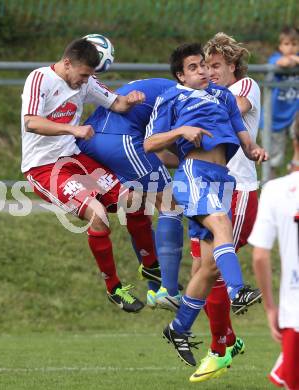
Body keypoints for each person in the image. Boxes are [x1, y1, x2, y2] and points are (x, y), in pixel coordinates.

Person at [144, 43, 267, 373]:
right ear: (181, 75)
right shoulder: (173, 97)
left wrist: (254, 150)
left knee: (209, 266)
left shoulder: (225, 97)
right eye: (195, 67)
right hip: (194, 175)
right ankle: (238, 291)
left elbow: (244, 137)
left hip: (222, 178)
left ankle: (179, 327)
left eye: (205, 66)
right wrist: (181, 131)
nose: (203, 71)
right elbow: (150, 144)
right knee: (222, 229)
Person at [21, 37, 156, 314]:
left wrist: (131, 100)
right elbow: (31, 122)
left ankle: (151, 266)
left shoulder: (85, 80)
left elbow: (116, 103)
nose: (85, 82)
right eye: (83, 75)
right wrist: (74, 130)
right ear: (67, 63)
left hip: (75, 159)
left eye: (89, 77)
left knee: (134, 199)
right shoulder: (39, 79)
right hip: (44, 167)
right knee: (97, 214)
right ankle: (114, 287)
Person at [184, 32, 261, 382]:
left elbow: (232, 111)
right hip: (210, 189)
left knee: (212, 267)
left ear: (233, 66)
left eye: (216, 66)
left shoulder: (246, 88)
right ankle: (227, 339)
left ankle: (220, 349)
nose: (211, 72)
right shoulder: (207, 94)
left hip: (240, 191)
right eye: (205, 67)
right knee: (201, 269)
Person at [77, 78, 185, 310]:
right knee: (170, 205)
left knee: (135, 204)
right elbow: (155, 146)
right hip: (119, 140)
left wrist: (188, 162)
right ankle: (168, 289)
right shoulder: (184, 97)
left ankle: (154, 287)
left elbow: (155, 154)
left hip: (93, 141)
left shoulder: (160, 89)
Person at [248, 120, 299, 390]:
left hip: (295, 313)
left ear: (293, 142)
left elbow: (260, 256)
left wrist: (270, 308)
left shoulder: (276, 190)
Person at [265, 26, 299, 178]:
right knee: (274, 158)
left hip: (294, 114)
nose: (290, 48)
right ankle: (269, 184)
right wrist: (292, 61)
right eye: (286, 44)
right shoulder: (274, 59)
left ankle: (294, 168)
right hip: (276, 117)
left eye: (294, 44)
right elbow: (282, 63)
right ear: (279, 46)